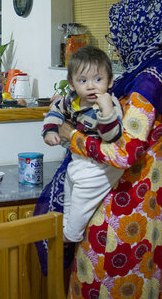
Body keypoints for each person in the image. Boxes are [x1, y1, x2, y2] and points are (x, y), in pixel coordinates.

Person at [55, 0, 162, 299]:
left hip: (120, 215)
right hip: (150, 212)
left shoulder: (147, 85)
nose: (115, 45)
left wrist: (71, 136)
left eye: (116, 36)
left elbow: (122, 153)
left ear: (136, 33)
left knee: (104, 288)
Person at [42, 45, 124, 244]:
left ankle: (70, 235)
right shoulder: (72, 100)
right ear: (72, 84)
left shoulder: (109, 104)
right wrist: (50, 130)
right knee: (69, 198)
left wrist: (106, 113)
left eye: (98, 79)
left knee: (80, 206)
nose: (91, 86)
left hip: (98, 168)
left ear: (110, 81)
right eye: (83, 80)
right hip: (78, 161)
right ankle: (66, 229)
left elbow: (112, 136)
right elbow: (55, 111)